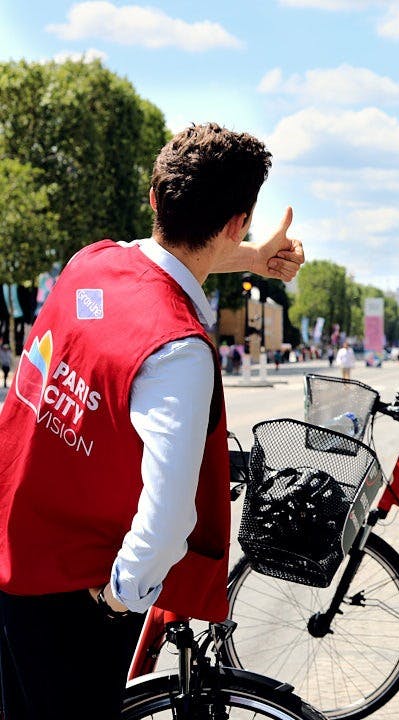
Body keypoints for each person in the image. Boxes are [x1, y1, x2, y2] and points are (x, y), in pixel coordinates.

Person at [0, 122, 304, 719]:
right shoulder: (179, 350)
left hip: (13, 545)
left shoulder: (91, 264)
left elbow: (169, 256)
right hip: (71, 593)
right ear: (238, 222)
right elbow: (168, 520)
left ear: (154, 197)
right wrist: (121, 600)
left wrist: (254, 259)